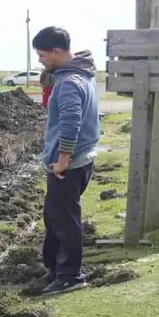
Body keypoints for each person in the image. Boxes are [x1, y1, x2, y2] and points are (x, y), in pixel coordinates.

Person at [32, 26, 100, 295]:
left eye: (42, 55)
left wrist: (62, 160)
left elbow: (71, 123)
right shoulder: (82, 75)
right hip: (79, 160)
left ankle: (71, 274)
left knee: (64, 219)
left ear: (57, 51)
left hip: (68, 166)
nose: (40, 60)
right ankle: (56, 269)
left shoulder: (70, 82)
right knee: (55, 216)